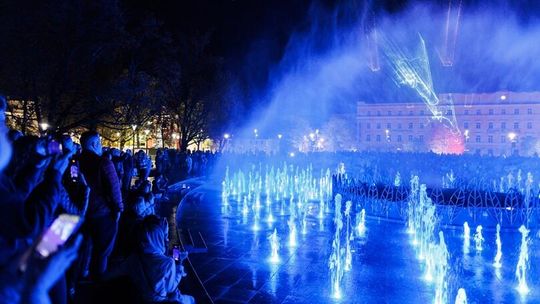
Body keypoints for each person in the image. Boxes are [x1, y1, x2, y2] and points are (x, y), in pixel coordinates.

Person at [106, 216, 194, 304]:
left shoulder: (133, 258)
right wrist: (179, 263)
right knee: (191, 300)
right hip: (161, 301)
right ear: (159, 237)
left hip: (142, 297)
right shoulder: (167, 263)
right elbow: (171, 288)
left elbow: (114, 272)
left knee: (175, 250)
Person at [78, 131, 123, 279]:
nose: (101, 146)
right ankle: (99, 279)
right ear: (94, 144)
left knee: (85, 245)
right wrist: (118, 208)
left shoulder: (76, 162)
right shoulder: (103, 162)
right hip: (102, 211)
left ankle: (81, 276)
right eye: (99, 142)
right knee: (103, 249)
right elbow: (114, 187)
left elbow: (74, 184)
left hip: (81, 211)